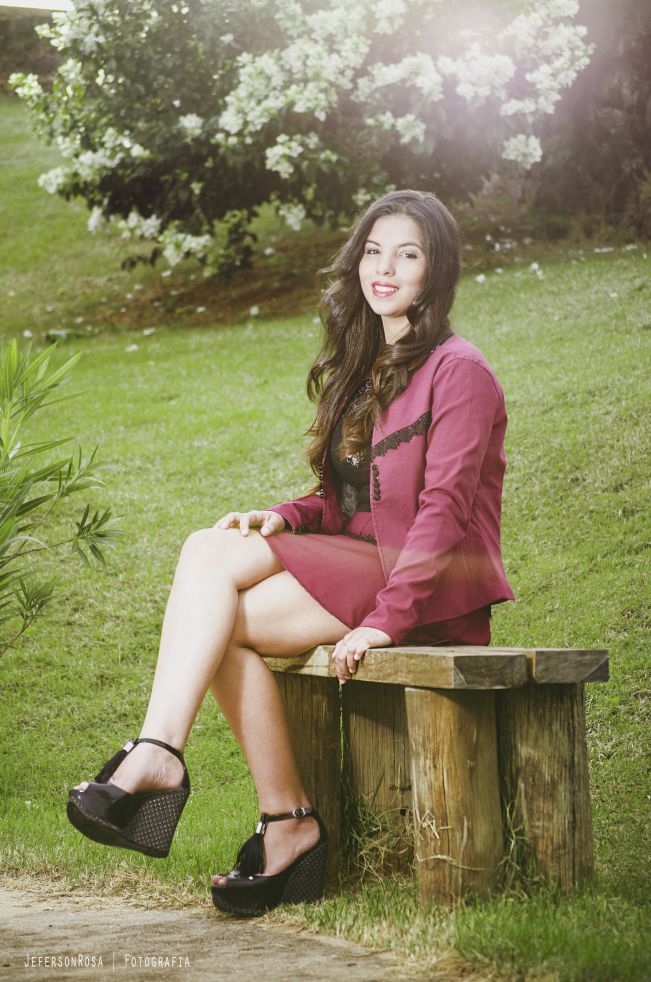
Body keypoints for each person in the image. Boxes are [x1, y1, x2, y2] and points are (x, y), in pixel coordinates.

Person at [67, 189, 514, 918]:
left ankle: (179, 767)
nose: (384, 269)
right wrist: (283, 516)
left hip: (424, 584)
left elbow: (442, 514)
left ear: (436, 271)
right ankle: (268, 813)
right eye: (373, 251)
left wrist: (387, 622)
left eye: (407, 255)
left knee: (215, 608)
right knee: (212, 569)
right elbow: (352, 498)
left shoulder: (459, 370)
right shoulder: (368, 364)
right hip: (364, 558)